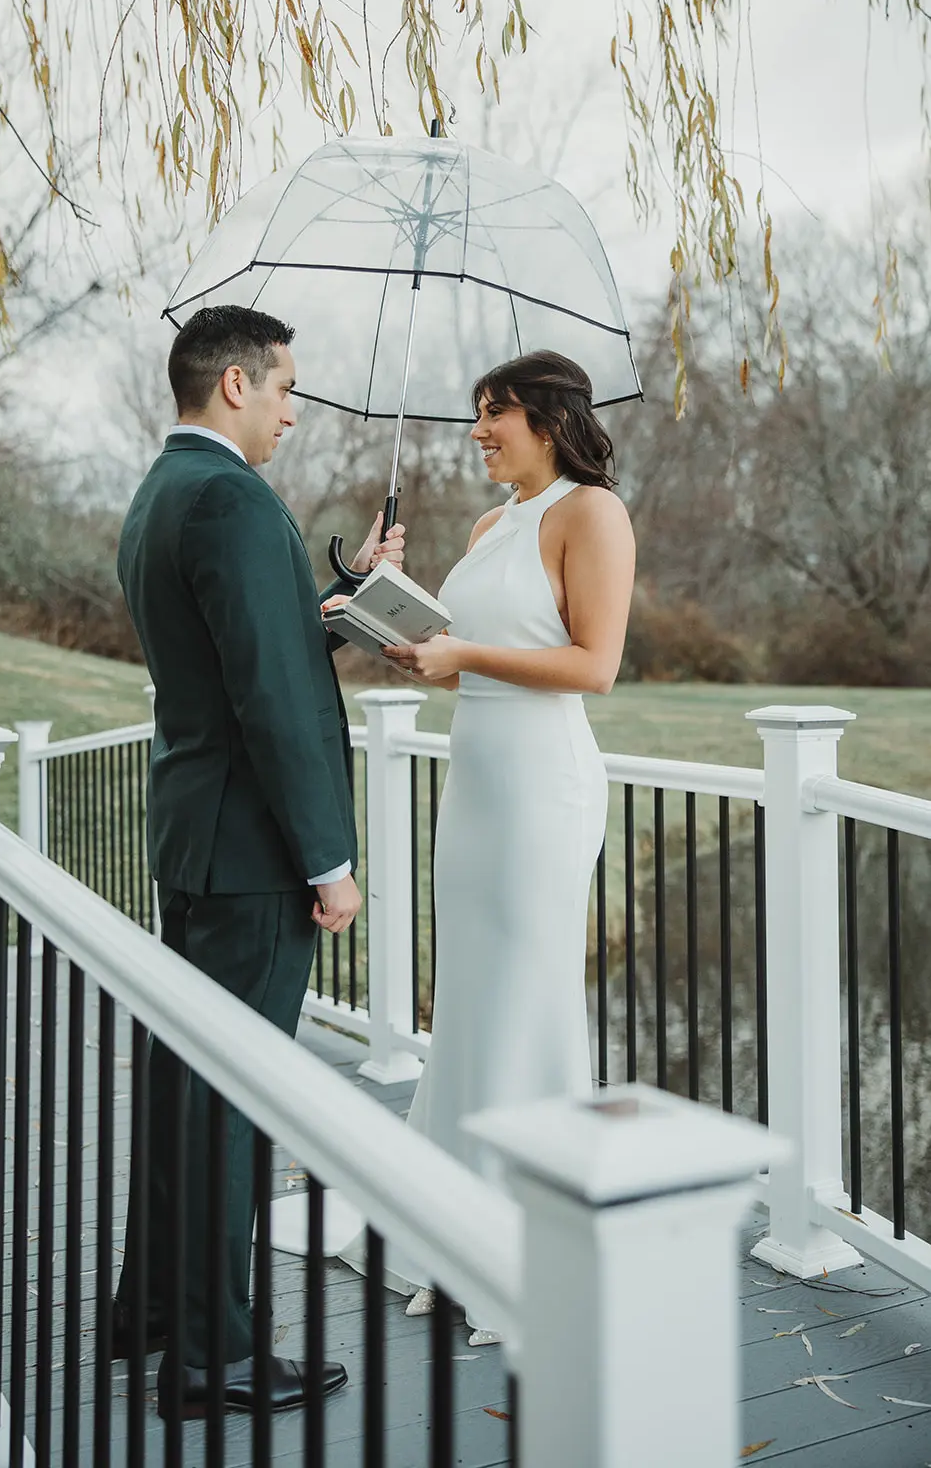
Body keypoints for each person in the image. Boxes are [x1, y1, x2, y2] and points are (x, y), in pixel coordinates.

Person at [110, 304, 405, 1419]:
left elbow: (251, 640)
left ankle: (155, 1317)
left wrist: (339, 593)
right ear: (234, 383)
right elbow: (274, 700)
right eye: (285, 387)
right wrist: (327, 860)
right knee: (231, 1100)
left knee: (190, 1088)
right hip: (250, 855)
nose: (292, 407)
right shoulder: (231, 498)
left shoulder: (166, 492)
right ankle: (212, 1358)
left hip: (199, 839)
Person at [377, 350, 635, 1342]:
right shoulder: (490, 524)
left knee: (528, 994)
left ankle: (535, 1235)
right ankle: (454, 1219)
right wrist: (401, 625)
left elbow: (592, 665)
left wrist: (463, 654)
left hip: (540, 789)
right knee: (475, 995)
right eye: (476, 414)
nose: (479, 431)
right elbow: (463, 667)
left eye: (497, 414)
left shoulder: (590, 512)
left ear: (549, 419)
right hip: (475, 780)